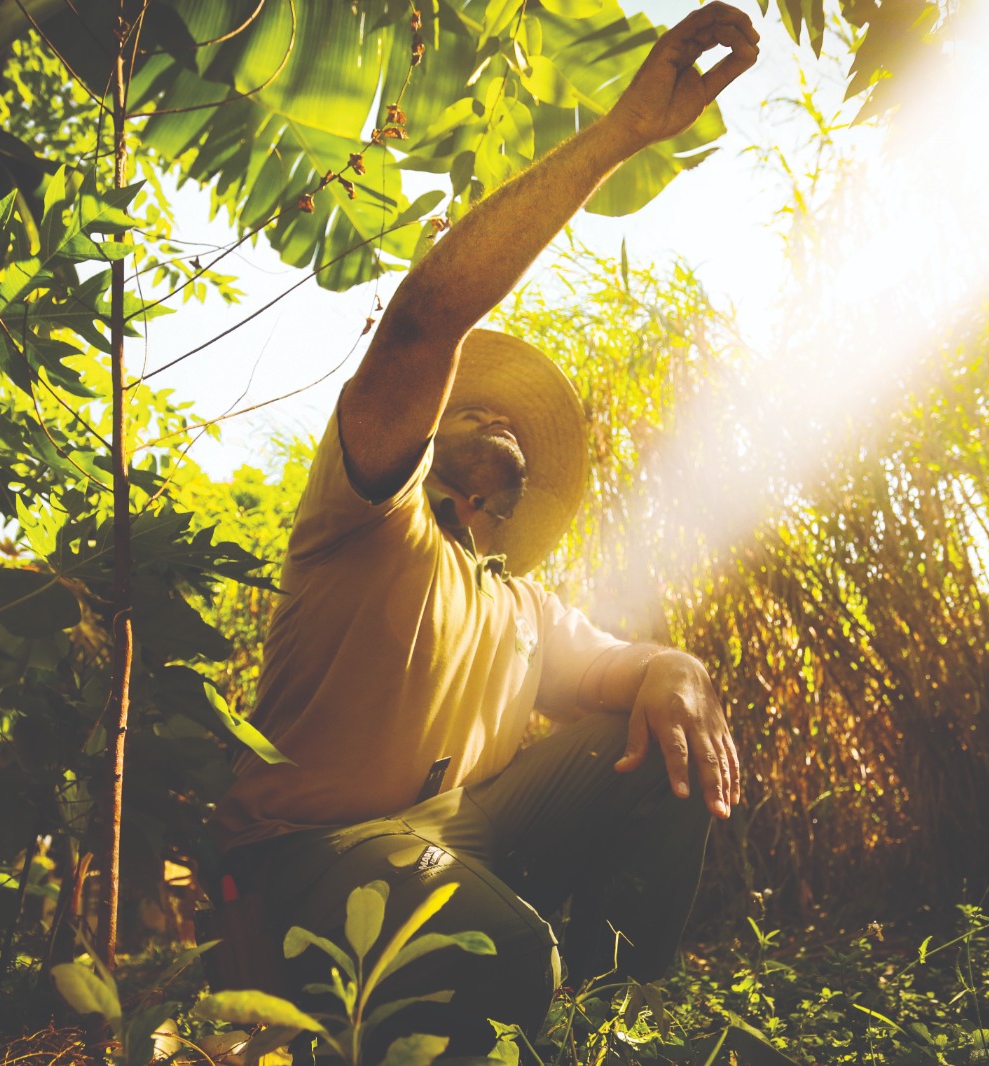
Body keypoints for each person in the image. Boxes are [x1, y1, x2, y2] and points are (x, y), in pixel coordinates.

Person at [211, 3, 760, 1053]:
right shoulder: (367, 516)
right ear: (425, 434)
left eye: (517, 423)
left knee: (653, 745)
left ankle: (607, 1008)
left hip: (454, 842)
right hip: (305, 856)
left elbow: (629, 665)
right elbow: (424, 326)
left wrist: (676, 670)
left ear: (516, 500)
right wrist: (620, 135)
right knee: (497, 950)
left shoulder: (519, 605)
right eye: (474, 405)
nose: (498, 415)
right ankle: (501, 979)